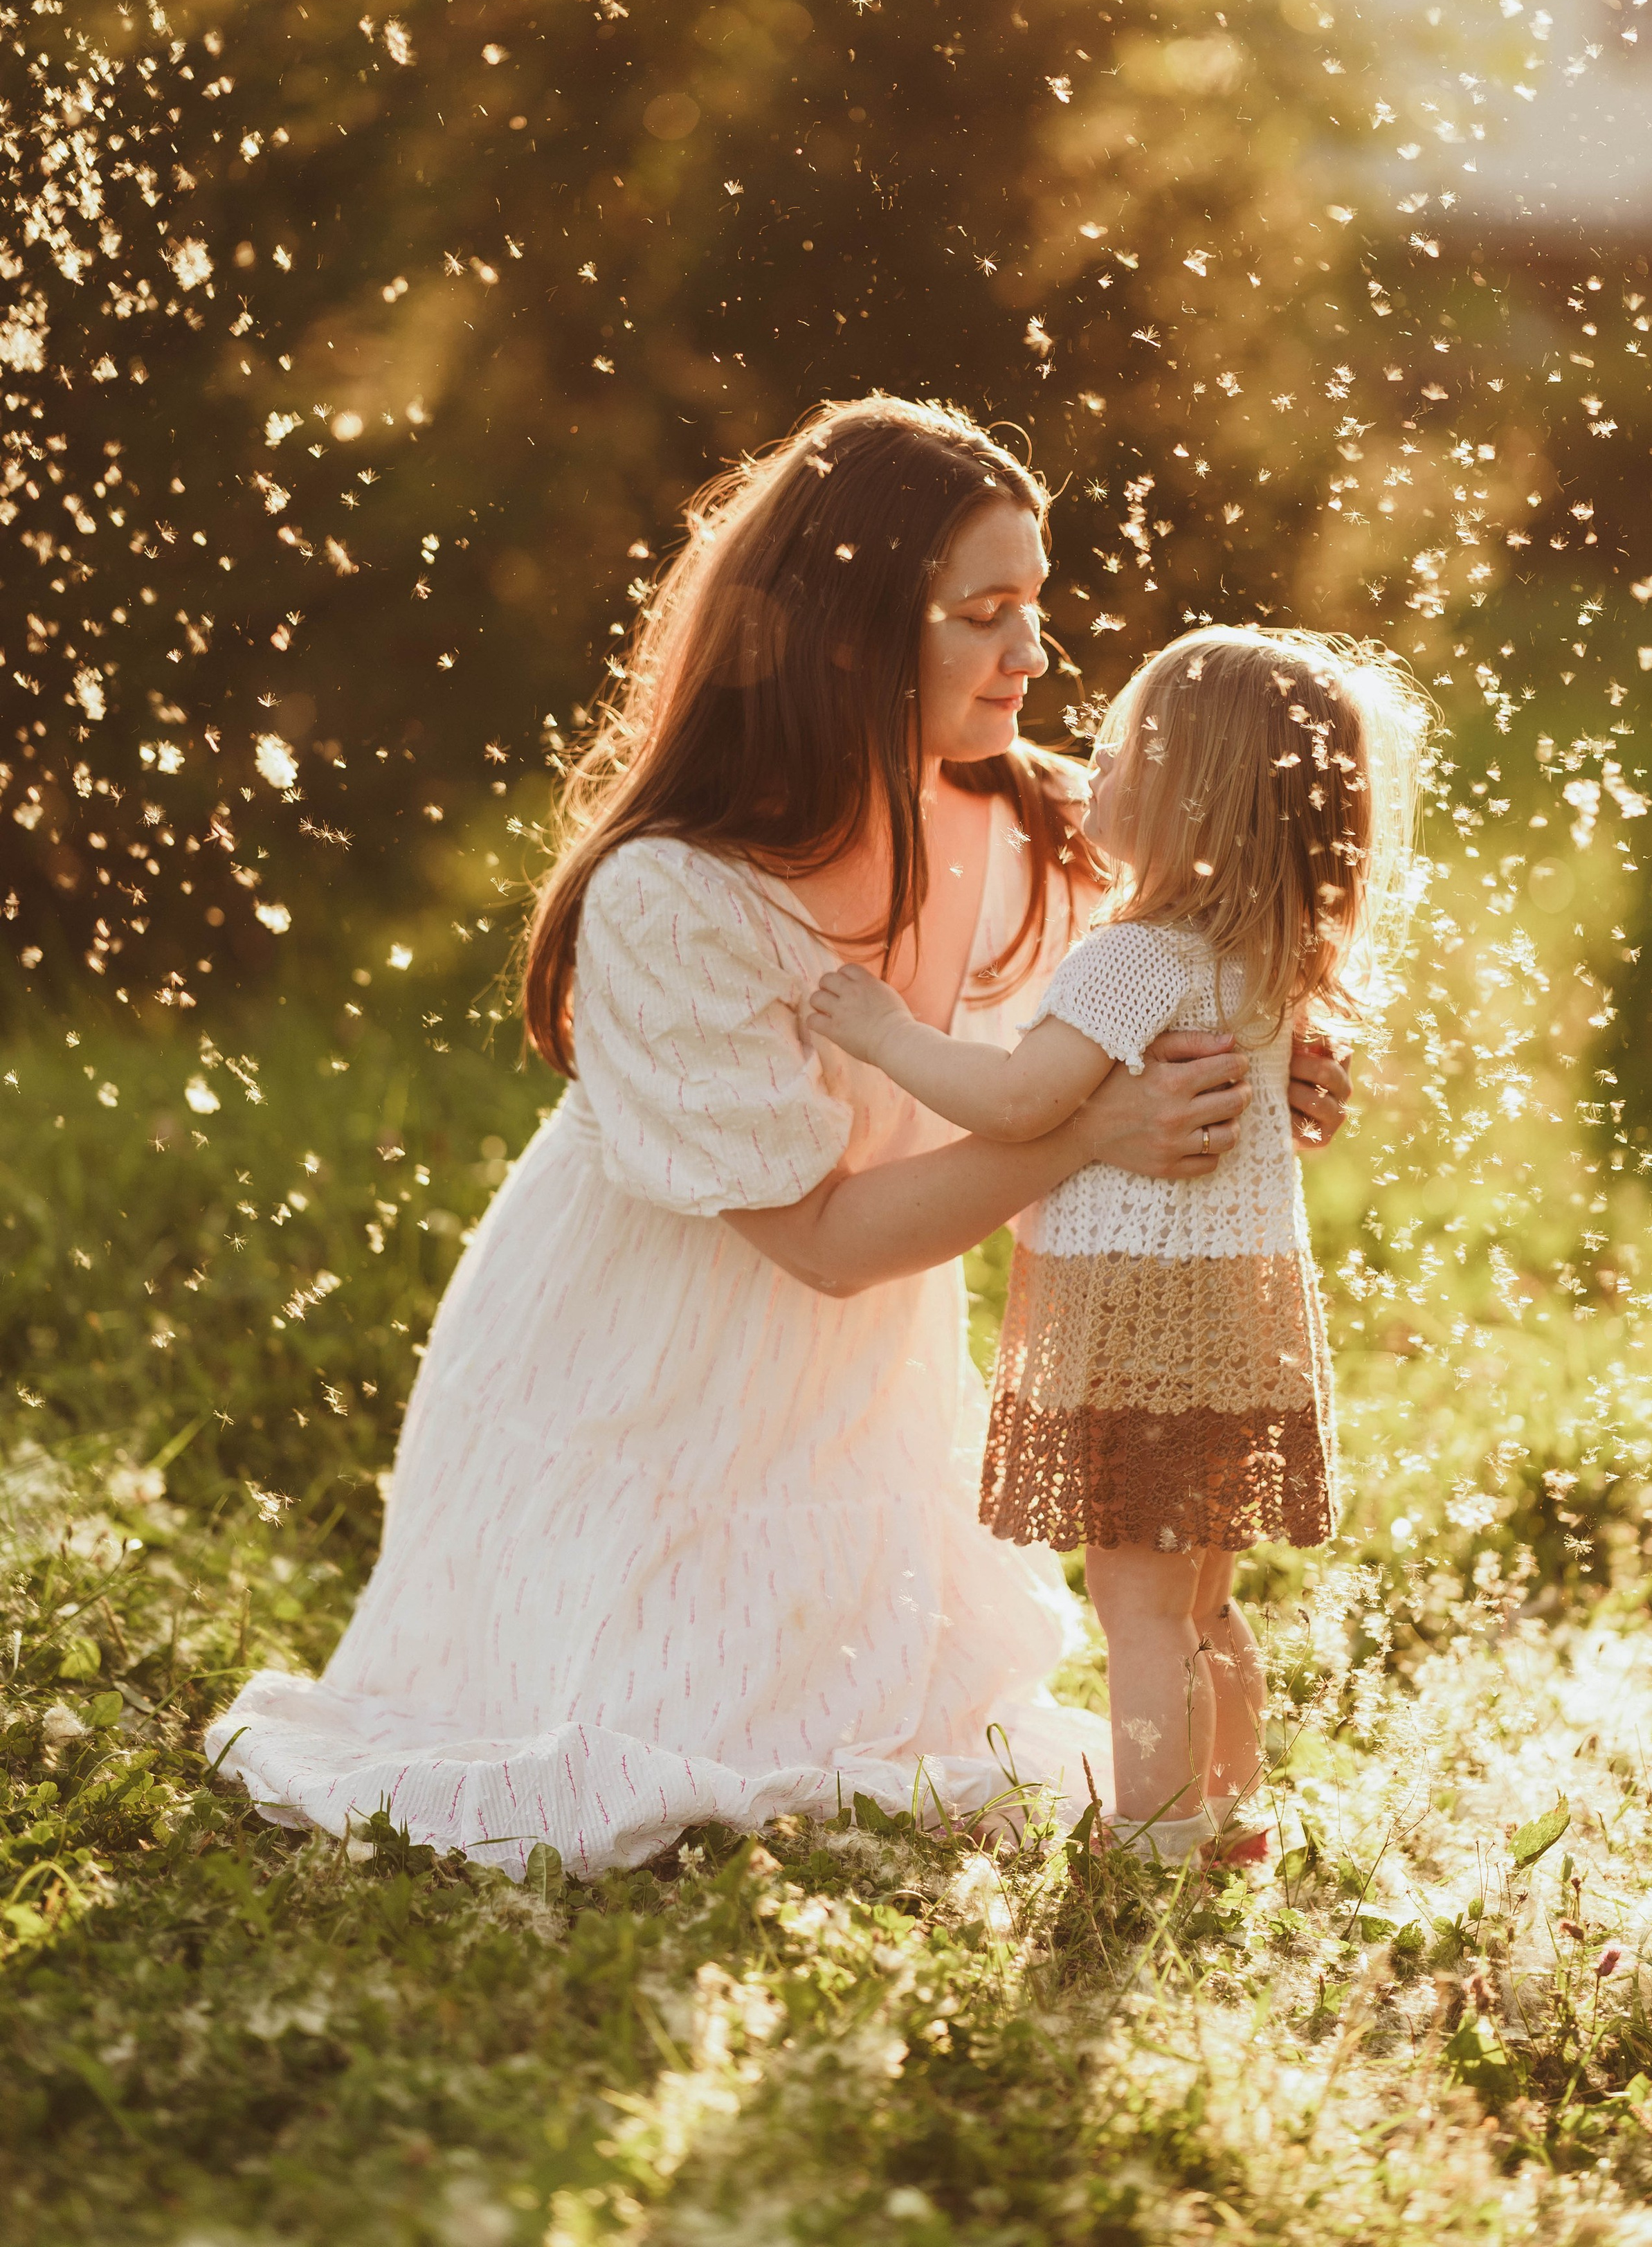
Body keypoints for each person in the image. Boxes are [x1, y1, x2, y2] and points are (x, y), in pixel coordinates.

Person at [206, 401, 1352, 1876]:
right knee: (651, 1750)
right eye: (982, 615)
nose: (1034, 653)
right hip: (650, 1371)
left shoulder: (1051, 827)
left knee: (873, 1739)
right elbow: (818, 1240)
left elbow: (1210, 947)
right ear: (846, 639)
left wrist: (1279, 1067)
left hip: (868, 1372)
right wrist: (1094, 1132)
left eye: (1036, 604)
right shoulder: (674, 896)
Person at [811, 624, 1428, 1861]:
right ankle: (1231, 1813)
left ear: (1192, 795)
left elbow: (1016, 1102)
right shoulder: (1263, 963)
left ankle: (1152, 1835)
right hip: (1240, 1325)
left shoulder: (1133, 959)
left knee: (1136, 1606)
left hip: (1144, 1328)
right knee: (1203, 1600)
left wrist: (881, 1034)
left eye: (1124, 744)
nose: (1094, 761)